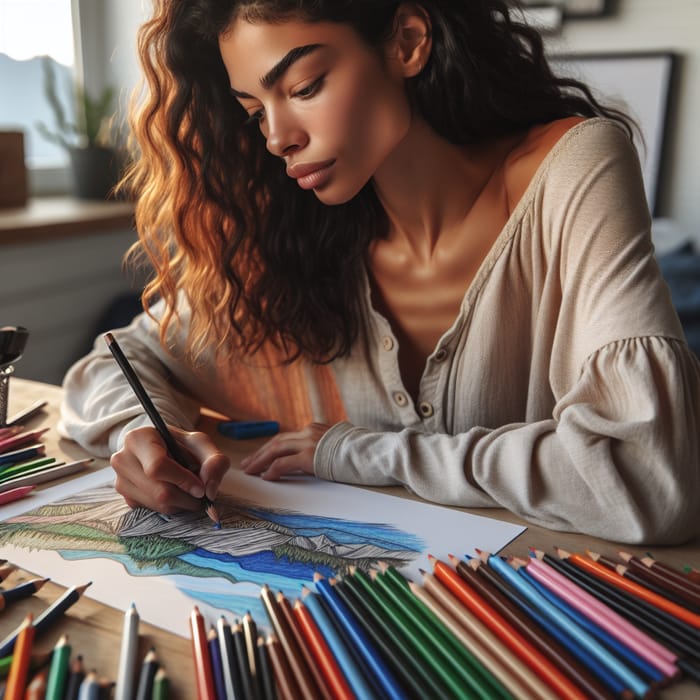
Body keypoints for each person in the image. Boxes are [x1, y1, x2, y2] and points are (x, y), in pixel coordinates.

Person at [59, 0, 700, 545]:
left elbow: (648, 477)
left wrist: (359, 452)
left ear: (407, 42)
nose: (278, 137)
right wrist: (150, 433)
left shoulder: (572, 167)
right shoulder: (293, 245)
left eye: (305, 88)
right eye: (255, 112)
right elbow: (114, 361)